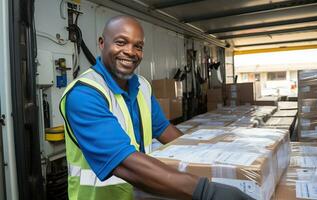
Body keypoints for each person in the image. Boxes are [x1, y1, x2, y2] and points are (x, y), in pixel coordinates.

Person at [59, 15, 253, 200]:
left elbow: (164, 130)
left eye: (138, 46)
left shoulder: (142, 86)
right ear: (102, 43)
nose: (130, 51)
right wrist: (206, 191)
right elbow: (122, 162)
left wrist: (211, 162)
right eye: (120, 42)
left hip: (142, 193)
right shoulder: (84, 94)